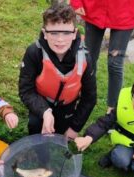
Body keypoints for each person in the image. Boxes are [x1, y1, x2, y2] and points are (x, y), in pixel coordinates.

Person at [70, 0, 134, 113]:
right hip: (94, 8)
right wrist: (76, 2)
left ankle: (113, 108)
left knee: (115, 63)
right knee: (88, 59)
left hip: (125, 11)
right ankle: (85, 98)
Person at [19, 3, 96, 139]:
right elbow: (26, 90)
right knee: (36, 126)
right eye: (54, 33)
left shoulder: (85, 58)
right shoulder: (34, 53)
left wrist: (75, 127)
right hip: (41, 101)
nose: (60, 40)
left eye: (66, 33)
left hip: (67, 106)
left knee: (62, 136)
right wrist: (45, 111)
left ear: (74, 34)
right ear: (45, 33)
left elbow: (89, 97)